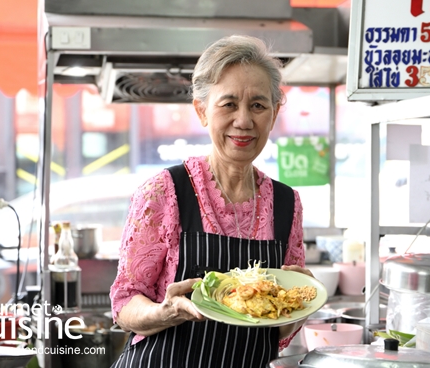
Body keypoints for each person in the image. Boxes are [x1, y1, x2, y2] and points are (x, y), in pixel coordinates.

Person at [110, 35, 312, 367]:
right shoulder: (165, 191)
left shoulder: (288, 204)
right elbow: (124, 302)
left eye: (258, 105)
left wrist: (302, 303)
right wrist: (165, 311)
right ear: (202, 111)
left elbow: (278, 328)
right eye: (229, 104)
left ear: (274, 114)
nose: (244, 120)